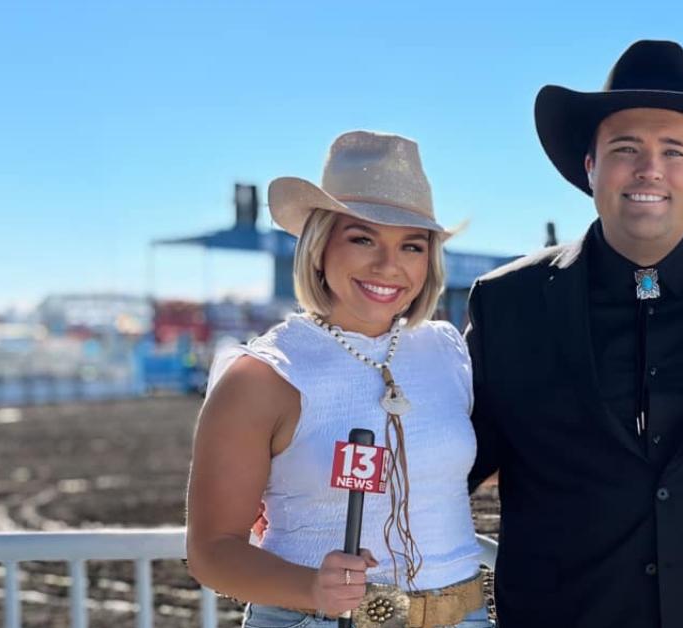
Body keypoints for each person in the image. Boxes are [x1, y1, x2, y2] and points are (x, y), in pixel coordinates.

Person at [465, 40, 683, 627]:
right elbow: (447, 463)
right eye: (625, 148)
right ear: (590, 167)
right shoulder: (508, 303)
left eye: (674, 151)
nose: (649, 169)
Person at [186, 130, 492, 628]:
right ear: (319, 243)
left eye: (411, 246)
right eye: (363, 238)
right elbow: (212, 550)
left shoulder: (447, 351)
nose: (388, 266)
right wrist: (310, 588)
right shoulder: (264, 373)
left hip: (463, 616)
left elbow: (481, 458)